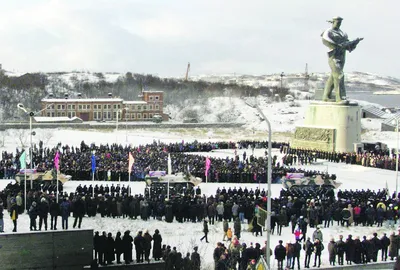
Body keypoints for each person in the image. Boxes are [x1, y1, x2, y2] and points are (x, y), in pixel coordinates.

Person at [321, 16, 363, 102]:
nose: (339, 24)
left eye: (340, 23)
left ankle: (326, 96)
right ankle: (340, 97)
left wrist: (355, 42)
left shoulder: (342, 33)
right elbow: (325, 40)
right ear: (333, 22)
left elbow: (347, 45)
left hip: (342, 56)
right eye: (337, 22)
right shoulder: (328, 32)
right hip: (334, 56)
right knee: (339, 75)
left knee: (333, 76)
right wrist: (337, 46)